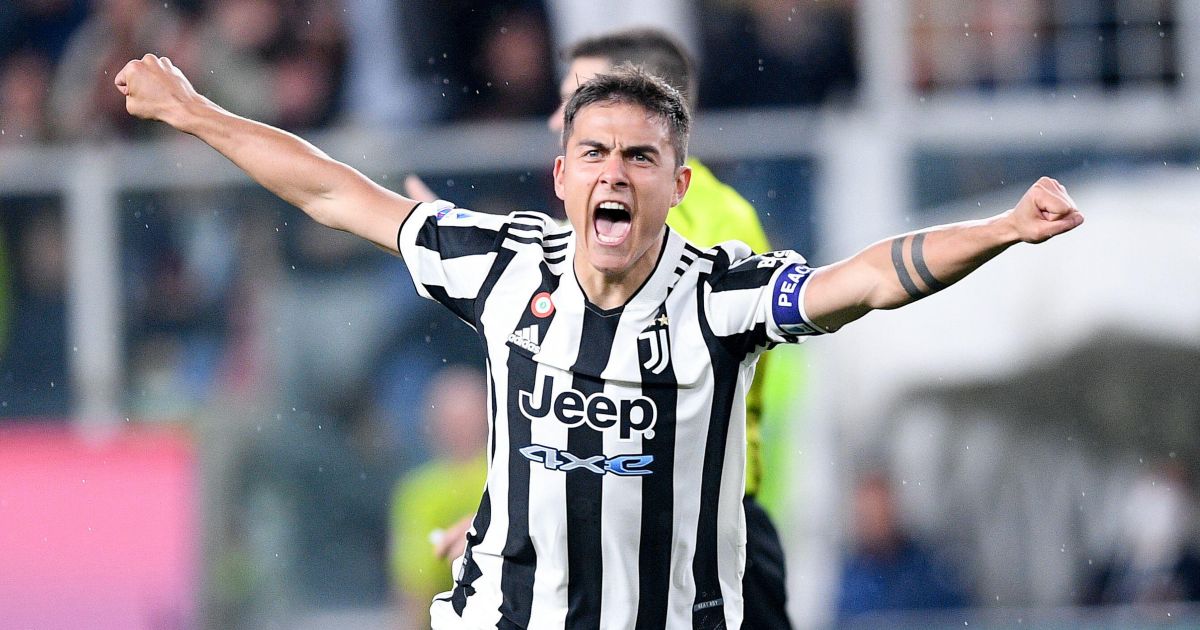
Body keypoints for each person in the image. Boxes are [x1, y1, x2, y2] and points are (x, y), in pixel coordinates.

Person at [115, 52, 1082, 627]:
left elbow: (868, 279)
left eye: (639, 155)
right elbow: (334, 192)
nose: (614, 171)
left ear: (677, 184)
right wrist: (194, 112)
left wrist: (1000, 228)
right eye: (595, 152)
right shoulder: (498, 264)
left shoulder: (720, 296)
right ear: (563, 177)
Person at [390, 366, 490, 628]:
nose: (460, 428)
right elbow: (414, 584)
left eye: (466, 418)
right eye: (452, 419)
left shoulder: (507, 477)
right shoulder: (419, 492)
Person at [835, 471, 970, 625]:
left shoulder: (927, 569)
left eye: (880, 511)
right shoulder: (851, 575)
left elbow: (959, 618)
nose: (875, 520)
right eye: (867, 514)